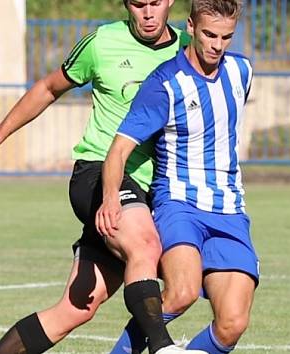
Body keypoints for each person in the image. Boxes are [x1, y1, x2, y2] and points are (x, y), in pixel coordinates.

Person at [0, 1, 205, 353]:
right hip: (98, 173)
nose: (147, 13)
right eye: (138, 4)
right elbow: (48, 87)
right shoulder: (102, 42)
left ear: (170, 2)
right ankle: (163, 347)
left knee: (75, 310)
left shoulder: (188, 47)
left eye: (155, 2)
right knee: (145, 245)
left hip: (156, 189)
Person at [96, 1, 258, 353]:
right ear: (191, 27)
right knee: (181, 293)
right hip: (179, 205)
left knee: (233, 323)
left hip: (229, 209)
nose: (217, 45)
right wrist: (110, 197)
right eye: (209, 35)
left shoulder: (242, 71)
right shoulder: (164, 83)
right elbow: (119, 149)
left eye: (226, 37)